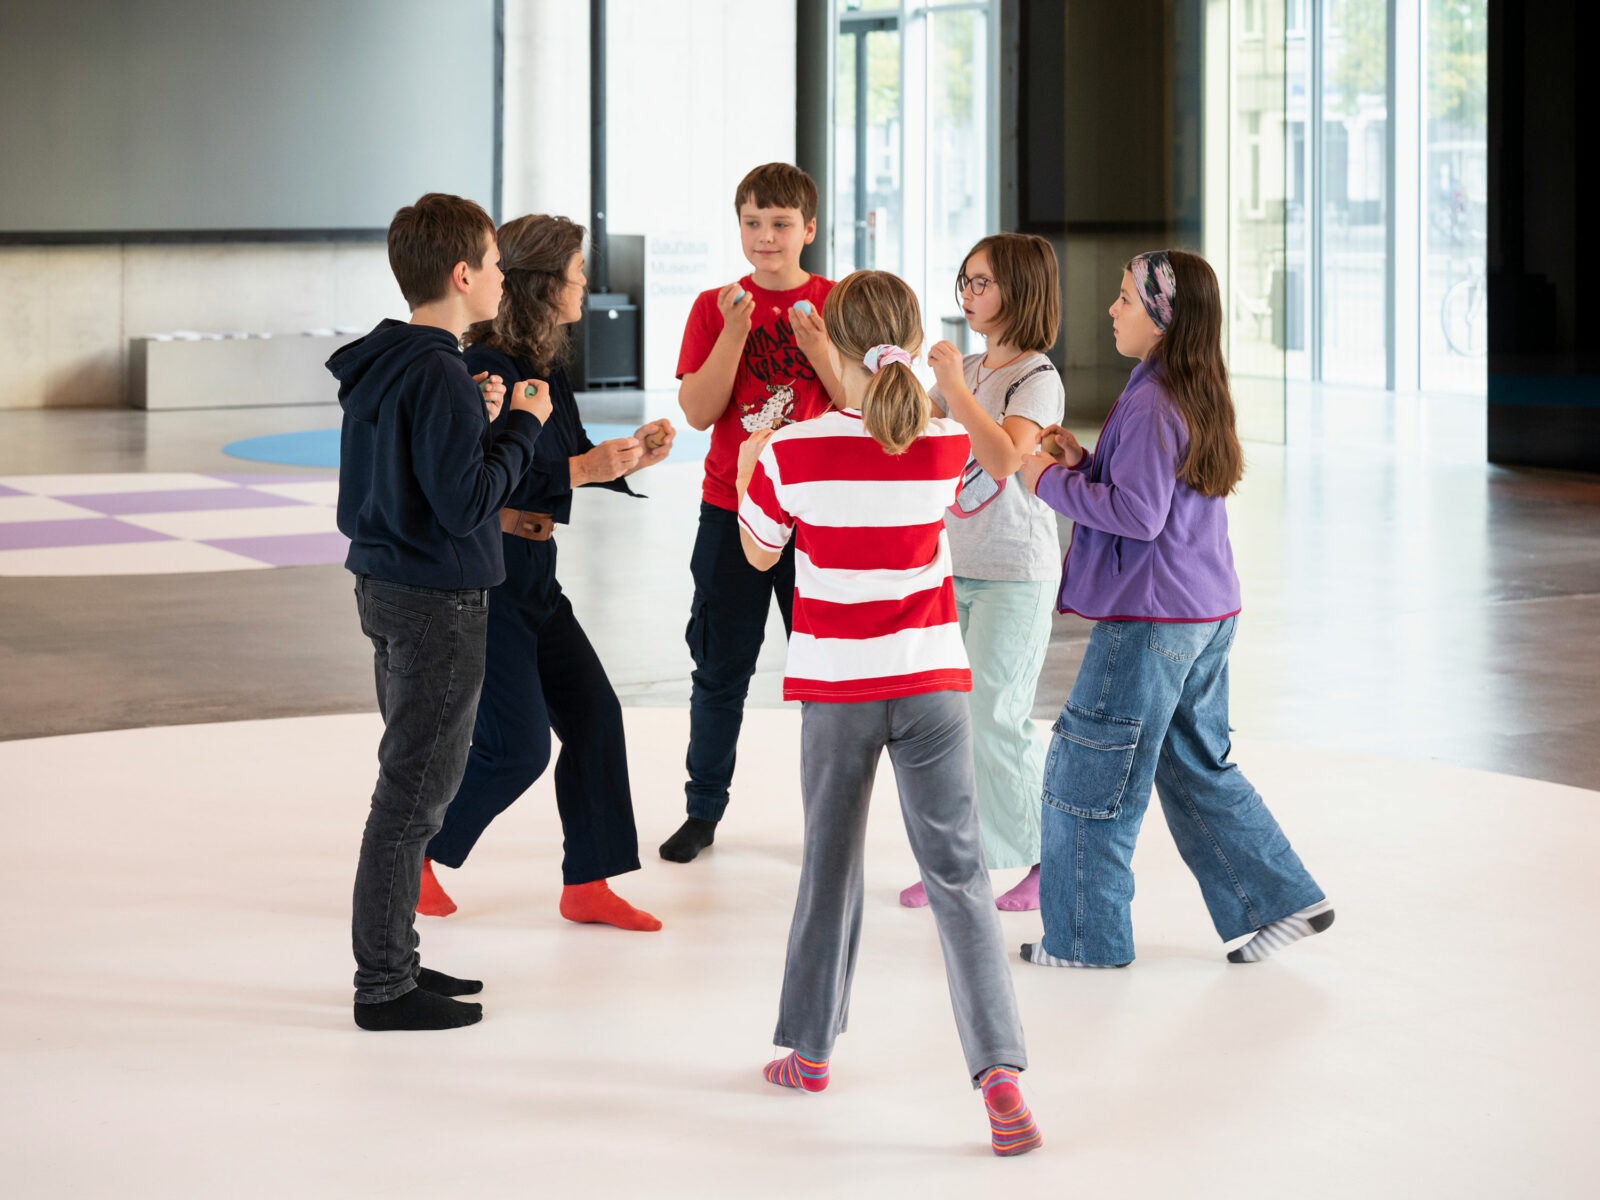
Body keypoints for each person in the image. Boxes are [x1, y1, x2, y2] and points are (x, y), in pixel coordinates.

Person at [737, 270, 1041, 1157]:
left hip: (839, 690)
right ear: (911, 340)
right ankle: (1000, 1074)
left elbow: (758, 556)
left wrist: (756, 463)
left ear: (831, 339)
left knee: (829, 868)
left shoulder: (796, 450)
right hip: (932, 685)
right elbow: (975, 477)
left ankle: (809, 1052)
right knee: (959, 879)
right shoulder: (946, 446)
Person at [1017, 249, 1333, 968]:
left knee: (1090, 774)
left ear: (1161, 317)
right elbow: (1148, 486)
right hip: (1205, 609)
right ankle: (1282, 899)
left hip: (1152, 620)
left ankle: (1086, 941)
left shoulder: (1156, 399)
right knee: (1192, 763)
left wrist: (1041, 478)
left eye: (1126, 298)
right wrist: (1082, 463)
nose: (1112, 309)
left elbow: (1137, 513)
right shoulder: (1181, 385)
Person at [328, 193, 552, 1030]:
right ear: (464, 276)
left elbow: (419, 482)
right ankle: (383, 986)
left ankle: (398, 961)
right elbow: (465, 508)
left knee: (409, 786)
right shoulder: (443, 374)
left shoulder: (391, 362)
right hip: (436, 601)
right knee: (413, 797)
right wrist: (523, 426)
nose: (502, 278)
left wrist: (483, 423)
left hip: (383, 587)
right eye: (494, 265)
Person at [415, 214, 674, 932]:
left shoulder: (549, 365)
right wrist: (583, 470)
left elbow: (573, 456)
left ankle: (587, 883)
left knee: (596, 716)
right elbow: (481, 481)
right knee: (518, 747)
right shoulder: (486, 367)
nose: (586, 285)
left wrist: (629, 456)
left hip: (535, 570)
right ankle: (417, 857)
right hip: (487, 574)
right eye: (577, 273)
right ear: (542, 282)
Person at [660, 162, 843, 864]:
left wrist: (820, 347)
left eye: (781, 223)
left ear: (809, 229)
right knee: (719, 669)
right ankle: (702, 811)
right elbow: (701, 412)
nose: (766, 237)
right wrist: (735, 336)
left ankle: (830, 821)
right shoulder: (715, 305)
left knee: (826, 678)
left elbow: (859, 402)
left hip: (818, 516)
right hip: (730, 512)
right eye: (753, 222)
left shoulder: (834, 299)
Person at [904, 233, 1065, 913]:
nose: (968, 295)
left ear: (1020, 292)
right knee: (950, 722)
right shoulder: (967, 367)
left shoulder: (1038, 378)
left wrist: (952, 391)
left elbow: (1002, 459)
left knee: (998, 717)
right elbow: (912, 432)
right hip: (955, 566)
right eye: (964, 281)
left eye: (983, 283)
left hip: (1016, 573)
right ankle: (955, 863)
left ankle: (1044, 859)